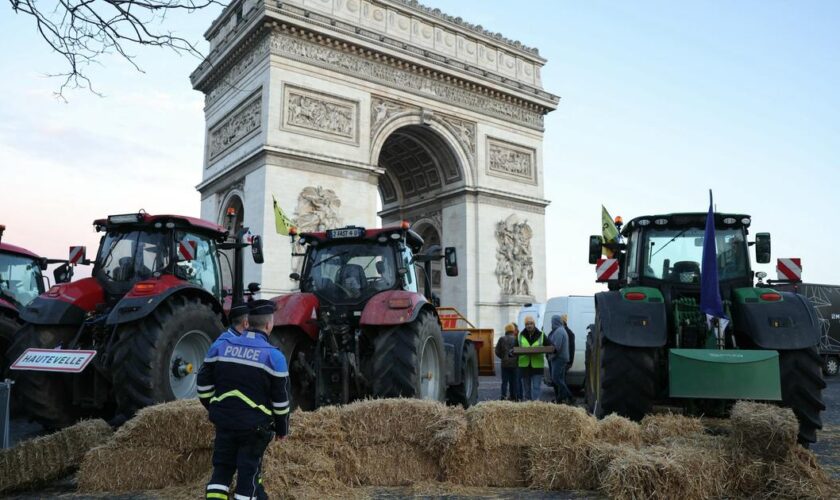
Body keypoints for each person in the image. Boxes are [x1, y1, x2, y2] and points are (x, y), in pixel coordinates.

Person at [198, 300, 290, 500]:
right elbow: (281, 403)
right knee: (248, 476)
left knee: (221, 471)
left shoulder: (221, 346)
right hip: (254, 428)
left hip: (224, 422)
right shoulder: (274, 357)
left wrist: (216, 408)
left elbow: (203, 387)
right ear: (268, 325)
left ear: (248, 323)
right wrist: (282, 429)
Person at [518, 315, 552, 401]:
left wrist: (552, 349)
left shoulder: (541, 335)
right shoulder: (520, 335)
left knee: (536, 387)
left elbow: (549, 345)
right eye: (527, 324)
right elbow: (514, 348)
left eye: (531, 323)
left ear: (534, 324)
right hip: (524, 366)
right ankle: (527, 405)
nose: (529, 326)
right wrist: (511, 353)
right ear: (525, 325)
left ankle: (536, 405)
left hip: (537, 366)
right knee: (527, 389)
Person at [547, 315, 573, 404]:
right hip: (562, 358)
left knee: (556, 379)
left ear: (555, 322)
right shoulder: (561, 330)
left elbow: (556, 348)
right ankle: (559, 399)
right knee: (560, 379)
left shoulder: (559, 331)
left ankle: (570, 396)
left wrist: (551, 357)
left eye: (552, 322)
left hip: (559, 359)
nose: (551, 324)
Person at [494, 323, 518, 400]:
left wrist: (503, 357)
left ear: (506, 330)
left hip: (505, 364)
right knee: (513, 382)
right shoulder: (516, 339)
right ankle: (513, 396)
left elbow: (497, 351)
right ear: (513, 330)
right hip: (515, 364)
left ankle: (503, 397)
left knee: (504, 382)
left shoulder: (502, 339)